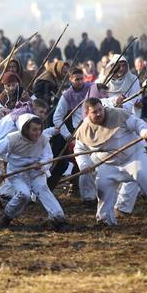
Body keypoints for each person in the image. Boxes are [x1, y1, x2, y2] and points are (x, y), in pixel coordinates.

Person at [74, 98, 147, 226]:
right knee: (103, 187)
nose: (99, 114)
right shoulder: (84, 129)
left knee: (145, 175)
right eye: (94, 112)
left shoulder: (119, 114)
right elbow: (79, 149)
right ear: (87, 113)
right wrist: (84, 165)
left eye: (100, 110)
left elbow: (137, 123)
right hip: (108, 163)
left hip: (134, 156)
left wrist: (144, 132)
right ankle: (105, 220)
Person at [0, 114, 70, 231]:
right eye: (34, 130)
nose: (37, 133)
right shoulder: (12, 139)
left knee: (43, 189)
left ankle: (59, 220)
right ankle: (7, 217)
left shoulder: (43, 139)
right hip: (17, 173)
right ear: (26, 128)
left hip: (36, 173)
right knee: (24, 194)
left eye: (39, 129)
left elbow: (48, 156)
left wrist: (42, 165)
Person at [51, 67, 101, 197]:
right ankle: (75, 186)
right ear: (70, 80)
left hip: (96, 127)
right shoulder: (67, 95)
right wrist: (67, 135)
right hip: (78, 130)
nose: (79, 82)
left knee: (96, 159)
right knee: (80, 159)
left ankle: (94, 189)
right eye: (76, 79)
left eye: (81, 79)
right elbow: (57, 117)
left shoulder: (91, 88)